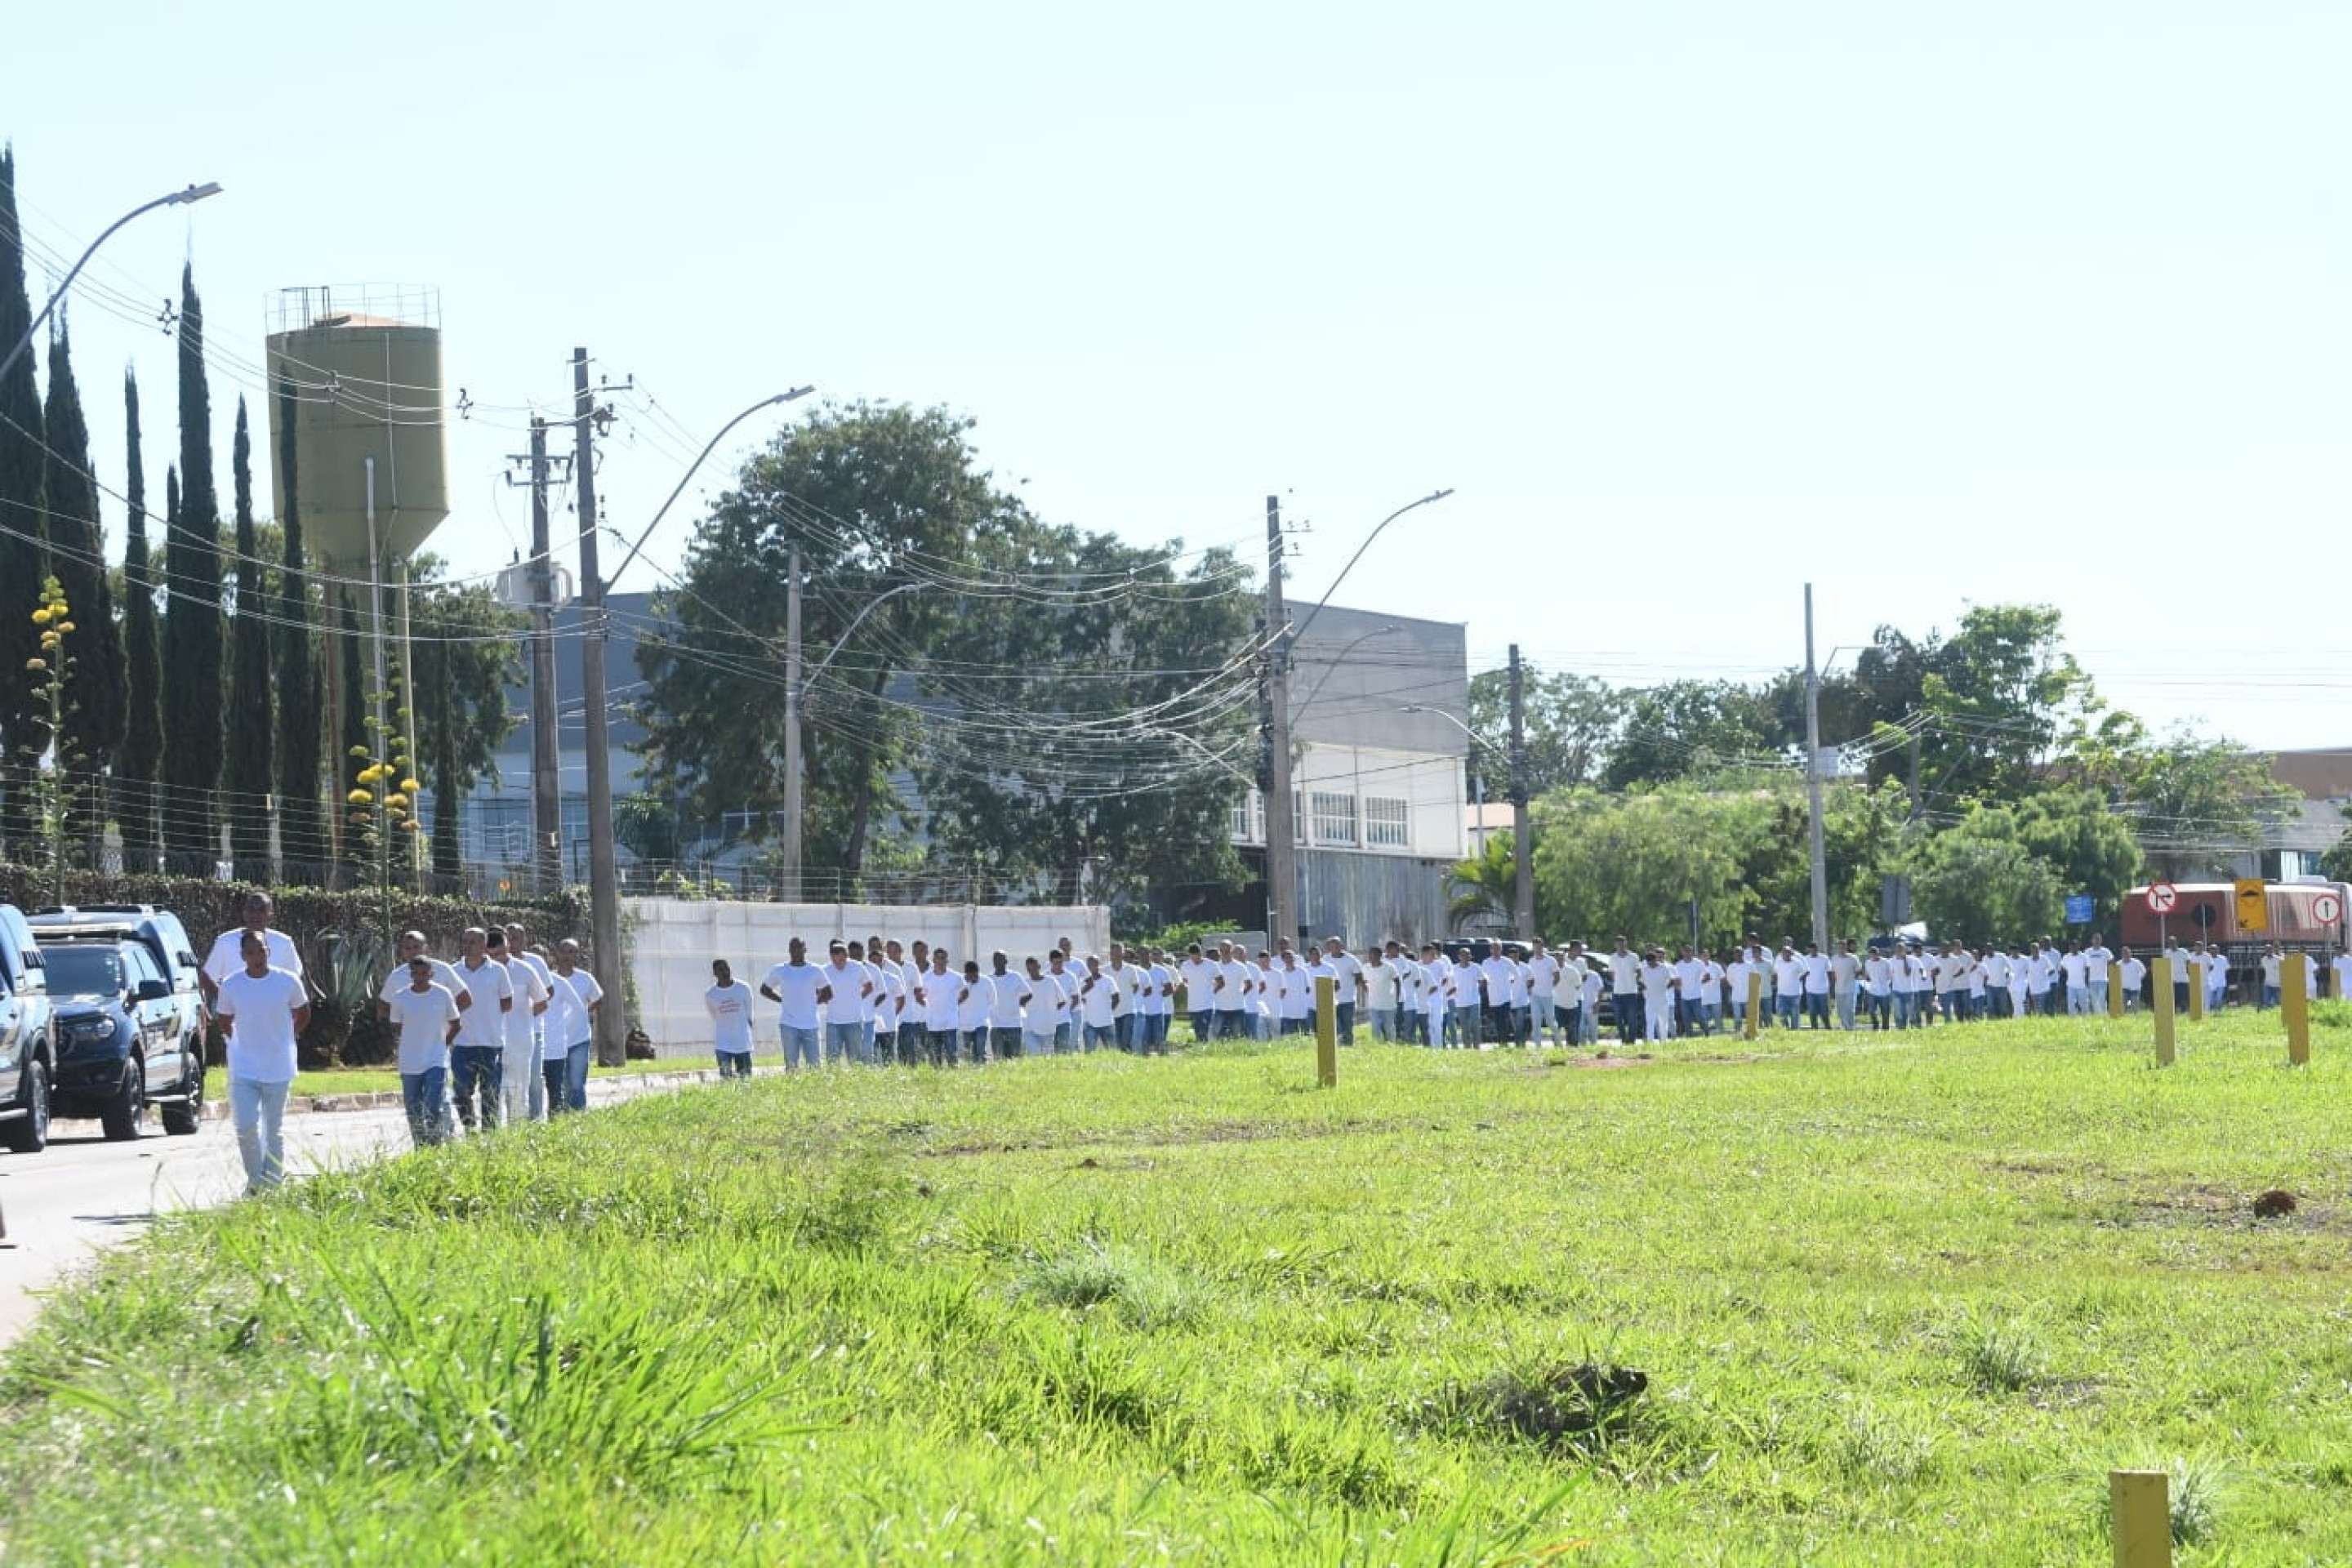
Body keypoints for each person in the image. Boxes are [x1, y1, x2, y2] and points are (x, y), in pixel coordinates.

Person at [212, 931, 311, 1193]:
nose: (257, 957)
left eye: (262, 951)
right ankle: (255, 1181)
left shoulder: (287, 981)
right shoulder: (232, 984)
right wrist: (239, 1043)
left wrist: (290, 1036)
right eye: (251, 952)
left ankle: (273, 1184)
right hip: (244, 1067)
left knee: (273, 1129)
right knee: (245, 1125)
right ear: (243, 956)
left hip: (279, 1066)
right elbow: (224, 1019)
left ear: (269, 951)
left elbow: (302, 1012)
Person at [385, 953, 461, 1147]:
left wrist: (443, 1044)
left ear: (431, 973)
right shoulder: (401, 997)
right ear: (411, 974)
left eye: (424, 973)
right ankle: (420, 1145)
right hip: (409, 1061)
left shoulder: (443, 994)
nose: (420, 977)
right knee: (413, 1107)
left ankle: (435, 1144)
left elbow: (456, 1023)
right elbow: (395, 1026)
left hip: (436, 1059)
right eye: (416, 973)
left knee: (433, 1104)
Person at [448, 928, 512, 1133]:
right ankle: (469, 1128)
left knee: (490, 1091)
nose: (468, 946)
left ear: (484, 946)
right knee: (461, 1090)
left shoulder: (499, 971)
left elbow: (506, 1003)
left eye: (473, 942)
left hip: (491, 1043)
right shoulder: (454, 971)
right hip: (462, 1043)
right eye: (465, 941)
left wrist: (488, 1017)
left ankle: (490, 1133)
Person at [199, 892, 305, 1008]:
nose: (255, 915)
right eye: (251, 909)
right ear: (244, 913)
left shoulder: (284, 943)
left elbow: (295, 981)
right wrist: (226, 1000)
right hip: (236, 1020)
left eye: (261, 910)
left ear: (270, 915)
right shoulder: (225, 942)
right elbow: (206, 978)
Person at [490, 929, 550, 1121]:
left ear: (507, 946)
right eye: (490, 954)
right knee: (493, 1092)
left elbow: (542, 1000)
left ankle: (518, 1135)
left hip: (519, 1040)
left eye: (499, 952)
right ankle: (495, 1136)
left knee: (518, 1092)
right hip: (489, 1041)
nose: (495, 957)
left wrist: (524, 1018)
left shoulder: (525, 970)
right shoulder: (481, 972)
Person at [503, 923, 557, 1118]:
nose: (512, 942)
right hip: (503, 1034)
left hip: (531, 1030)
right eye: (508, 938)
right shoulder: (495, 964)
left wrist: (528, 1013)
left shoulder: (535, 963)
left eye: (516, 937)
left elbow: (548, 992)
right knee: (508, 1082)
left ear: (524, 940)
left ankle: (536, 1119)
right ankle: (512, 1119)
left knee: (533, 1078)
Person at [543, 940, 603, 1113]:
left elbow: (598, 998)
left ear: (577, 955)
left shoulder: (585, 978)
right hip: (555, 1041)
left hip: (580, 1038)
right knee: (559, 1082)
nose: (567, 955)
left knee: (576, 1082)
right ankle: (560, 1116)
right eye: (564, 951)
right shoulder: (548, 979)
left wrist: (585, 1012)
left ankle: (577, 1117)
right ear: (557, 953)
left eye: (572, 952)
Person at [760, 938, 827, 1070]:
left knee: (814, 1065)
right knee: (791, 1065)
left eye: (799, 947)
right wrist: (781, 1000)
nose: (796, 950)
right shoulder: (780, 970)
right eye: (793, 948)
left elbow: (828, 991)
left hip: (810, 1024)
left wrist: (815, 1001)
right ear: (789, 950)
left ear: (805, 949)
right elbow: (764, 990)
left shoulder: (815, 970)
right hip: (788, 1024)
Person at [820, 941, 870, 1065]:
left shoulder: (857, 967)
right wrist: (826, 1000)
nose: (838, 964)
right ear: (831, 957)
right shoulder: (824, 970)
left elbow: (869, 986)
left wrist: (858, 998)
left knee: (855, 1059)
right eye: (835, 960)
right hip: (833, 1022)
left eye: (842, 960)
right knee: (832, 1058)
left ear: (847, 956)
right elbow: (817, 990)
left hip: (854, 1021)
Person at [706, 959, 756, 1080]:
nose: (725, 972)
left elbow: (749, 1014)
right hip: (723, 1044)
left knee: (745, 1079)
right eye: (720, 970)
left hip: (742, 1043)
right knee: (726, 1079)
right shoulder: (711, 994)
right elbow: (715, 1015)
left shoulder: (744, 988)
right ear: (715, 974)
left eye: (726, 968)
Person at [986, 951, 1029, 1062]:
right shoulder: (989, 979)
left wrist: (1019, 1004)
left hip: (1014, 1023)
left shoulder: (1015, 976)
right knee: (999, 1058)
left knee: (1014, 1057)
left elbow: (1029, 993)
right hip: (996, 1025)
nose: (998, 962)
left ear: (1006, 961)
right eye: (995, 959)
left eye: (1001, 959)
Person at [1022, 956, 1062, 1057]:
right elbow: (1019, 1004)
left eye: (1034, 968)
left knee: (1046, 1057)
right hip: (1029, 1028)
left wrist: (1052, 1012)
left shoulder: (1051, 981)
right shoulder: (1024, 984)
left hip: (1048, 1027)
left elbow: (1062, 1000)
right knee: (1035, 1054)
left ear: (1039, 967)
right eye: (1029, 969)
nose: (1032, 971)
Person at [1079, 955, 1120, 1049]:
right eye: (1090, 965)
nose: (1092, 967)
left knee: (1111, 1051)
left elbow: (1116, 997)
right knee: (1090, 1052)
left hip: (1107, 1022)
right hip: (1089, 1023)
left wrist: (1108, 1011)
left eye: (1095, 964)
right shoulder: (1081, 982)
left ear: (1099, 965)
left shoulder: (1108, 980)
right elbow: (1080, 999)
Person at [1180, 944, 1218, 1044]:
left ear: (1201, 953)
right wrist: (1187, 986)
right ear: (1190, 955)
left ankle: (1205, 1046)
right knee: (1197, 1028)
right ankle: (1201, 1045)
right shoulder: (1185, 965)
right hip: (1193, 1004)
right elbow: (1184, 980)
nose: (1195, 959)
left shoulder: (1212, 965)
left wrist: (1213, 992)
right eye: (1192, 956)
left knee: (1205, 1027)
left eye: (1197, 955)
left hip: (1207, 1004)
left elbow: (1221, 981)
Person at [1048, 949, 1083, 1053]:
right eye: (1055, 963)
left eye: (1060, 962)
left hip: (1064, 1020)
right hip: (1048, 1021)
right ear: (1051, 962)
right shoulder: (1045, 976)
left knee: (1062, 1050)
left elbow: (1076, 997)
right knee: (1048, 1051)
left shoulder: (1070, 976)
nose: (1058, 965)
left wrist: (1069, 1011)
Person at [1637, 946, 1675, 1043]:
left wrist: (1665, 988)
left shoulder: (1663, 968)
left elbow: (1672, 980)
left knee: (1663, 1023)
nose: (1650, 964)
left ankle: (1664, 1042)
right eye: (1648, 962)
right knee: (1650, 1023)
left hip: (1662, 1000)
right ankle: (1650, 1042)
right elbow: (1640, 981)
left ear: (1655, 960)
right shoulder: (1644, 969)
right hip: (1650, 1000)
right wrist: (1644, 988)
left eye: (1652, 961)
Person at [1608, 938, 1641, 1045]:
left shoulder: (1634, 956)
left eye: (1622, 944)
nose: (1620, 946)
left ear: (1626, 944)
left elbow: (1638, 971)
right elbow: (1612, 973)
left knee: (1632, 1019)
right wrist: (1617, 982)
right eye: (1618, 944)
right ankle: (1623, 1038)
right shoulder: (1613, 957)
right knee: (1618, 1018)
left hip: (1631, 992)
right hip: (1617, 992)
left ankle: (1631, 1041)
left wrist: (1635, 982)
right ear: (1615, 945)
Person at [1364, 945, 1399, 1042]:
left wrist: (1397, 997)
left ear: (1380, 956)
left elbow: (1397, 981)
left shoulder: (1389, 967)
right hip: (1374, 1004)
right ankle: (1377, 1046)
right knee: (1375, 1026)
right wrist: (1366, 989)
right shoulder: (1365, 968)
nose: (1372, 957)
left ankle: (1391, 1045)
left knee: (1389, 1027)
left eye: (1374, 955)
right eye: (1370, 955)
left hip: (1388, 1003)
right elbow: (1363, 981)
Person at [1832, 939, 1860, 1031]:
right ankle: (1845, 1025)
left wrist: (1852, 978)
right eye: (1839, 947)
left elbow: (1858, 970)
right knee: (1840, 1011)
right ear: (1837, 948)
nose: (1841, 948)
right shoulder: (1834, 958)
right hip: (1839, 989)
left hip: (1850, 989)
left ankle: (1850, 1028)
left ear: (1846, 947)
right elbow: (1833, 973)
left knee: (1849, 1010)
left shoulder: (1853, 958)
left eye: (1843, 946)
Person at [1802, 942, 1832, 1030]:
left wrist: (1831, 985)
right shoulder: (1805, 959)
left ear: (1817, 949)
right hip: (1810, 990)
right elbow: (1803, 973)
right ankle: (1814, 1029)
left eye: (1814, 948)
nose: (1813, 950)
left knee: (1824, 1012)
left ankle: (1828, 1027)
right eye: (1811, 948)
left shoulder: (1824, 958)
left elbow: (1829, 971)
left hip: (1822, 990)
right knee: (1812, 1011)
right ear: (1808, 949)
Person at [2119, 947, 2146, 1011]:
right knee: (2123, 1006)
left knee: (2135, 1006)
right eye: (2124, 953)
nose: (2126, 955)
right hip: (2124, 987)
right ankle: (2123, 1019)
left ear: (2130, 954)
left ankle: (2136, 1019)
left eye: (2128, 953)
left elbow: (2144, 971)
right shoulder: (2119, 964)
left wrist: (2139, 978)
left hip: (2135, 988)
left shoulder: (2137, 962)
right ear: (2122, 954)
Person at [2260, 942, 2283, 1009]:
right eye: (2266, 950)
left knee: (2279, 1003)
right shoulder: (2264, 960)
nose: (2268, 951)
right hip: (2268, 984)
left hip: (2278, 985)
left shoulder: (2279, 960)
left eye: (2269, 949)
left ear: (2272, 950)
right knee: (2266, 1002)